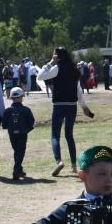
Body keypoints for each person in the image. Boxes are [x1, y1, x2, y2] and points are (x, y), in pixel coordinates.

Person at [37, 47, 94, 176]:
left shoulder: (57, 68)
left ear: (57, 56)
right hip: (72, 106)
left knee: (55, 135)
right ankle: (74, 165)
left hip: (59, 105)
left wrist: (50, 62)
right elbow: (78, 90)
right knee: (69, 135)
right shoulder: (75, 69)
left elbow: (40, 77)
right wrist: (84, 107)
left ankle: (59, 161)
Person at [4, 87, 36, 180]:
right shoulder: (26, 110)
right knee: (20, 151)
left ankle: (19, 170)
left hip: (12, 134)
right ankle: (16, 170)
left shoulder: (7, 111)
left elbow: (4, 124)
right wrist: (26, 129)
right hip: (22, 133)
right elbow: (31, 122)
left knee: (17, 151)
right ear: (21, 97)